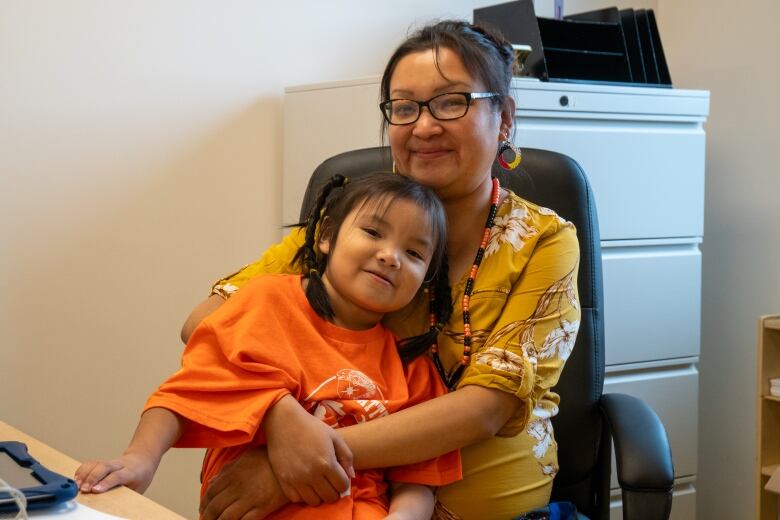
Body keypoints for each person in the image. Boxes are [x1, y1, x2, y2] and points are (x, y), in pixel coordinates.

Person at [184, 20, 580, 520]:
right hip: (330, 502)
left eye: (451, 102)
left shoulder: (544, 239)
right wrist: (280, 419)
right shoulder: (357, 221)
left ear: (503, 119)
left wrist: (306, 457)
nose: (424, 126)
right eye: (405, 107)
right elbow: (204, 322)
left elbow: (487, 407)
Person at [74, 173, 462, 520]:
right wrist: (139, 460)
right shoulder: (266, 302)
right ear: (326, 236)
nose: (390, 256)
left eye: (414, 253)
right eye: (374, 233)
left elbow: (419, 480)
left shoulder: (413, 365)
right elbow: (185, 393)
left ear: (426, 279)